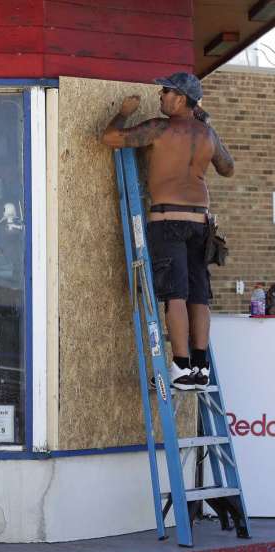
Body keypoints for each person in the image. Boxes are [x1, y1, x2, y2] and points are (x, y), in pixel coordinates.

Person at [101, 72, 234, 390]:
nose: (160, 96)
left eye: (166, 91)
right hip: (200, 223)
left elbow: (110, 139)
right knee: (198, 296)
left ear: (181, 98)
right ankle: (201, 368)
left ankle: (181, 366)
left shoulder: (159, 128)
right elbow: (227, 167)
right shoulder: (207, 134)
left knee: (175, 296)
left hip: (167, 221)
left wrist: (123, 112)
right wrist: (207, 124)